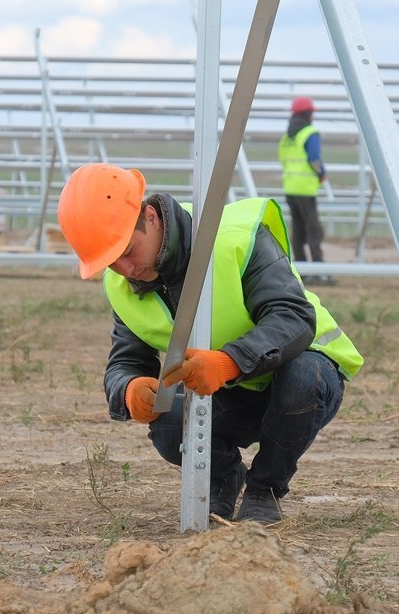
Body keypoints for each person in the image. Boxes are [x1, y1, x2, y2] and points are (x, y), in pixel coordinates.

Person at [56, 163, 363, 524]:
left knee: (301, 377)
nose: (126, 269)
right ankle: (223, 478)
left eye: (127, 250)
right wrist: (129, 390)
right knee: (170, 424)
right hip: (234, 393)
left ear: (151, 217)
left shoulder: (233, 237)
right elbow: (124, 364)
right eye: (111, 262)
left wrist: (228, 361)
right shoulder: (122, 286)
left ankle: (265, 488)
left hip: (304, 373)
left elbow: (293, 318)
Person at [278, 96, 334, 285]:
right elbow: (314, 158)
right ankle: (319, 270)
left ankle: (301, 270)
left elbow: (283, 159)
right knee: (314, 229)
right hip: (305, 189)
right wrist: (322, 174)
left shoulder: (287, 137)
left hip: (290, 187)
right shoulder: (310, 133)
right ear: (308, 114)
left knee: (299, 229)